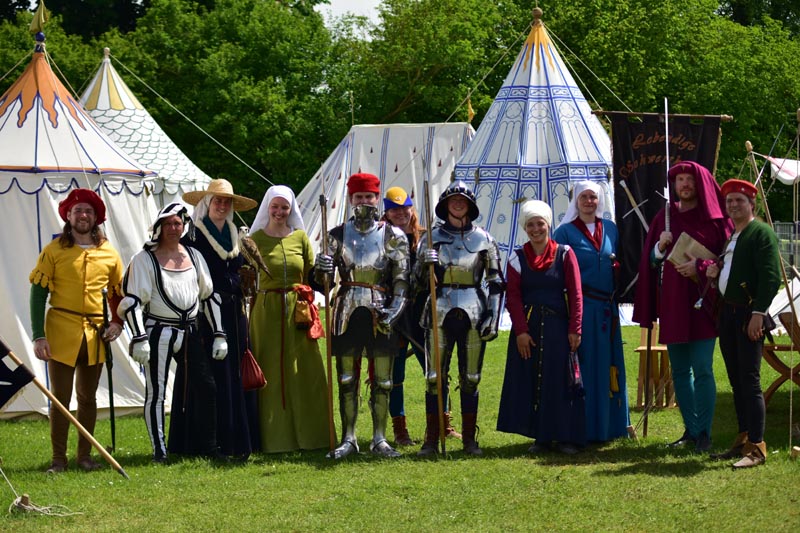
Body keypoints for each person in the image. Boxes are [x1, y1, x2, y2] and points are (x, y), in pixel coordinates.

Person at [633, 160, 732, 453]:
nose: (685, 184)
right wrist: (659, 248)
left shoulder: (715, 219)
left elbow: (727, 260)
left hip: (703, 305)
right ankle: (691, 429)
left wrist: (700, 266)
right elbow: (650, 262)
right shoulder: (665, 216)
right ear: (674, 186)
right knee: (679, 371)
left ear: (699, 184)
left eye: (690, 179)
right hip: (674, 304)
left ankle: (705, 432)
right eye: (680, 180)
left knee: (702, 368)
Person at [118, 203, 228, 462]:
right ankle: (160, 451)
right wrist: (139, 337)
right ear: (158, 227)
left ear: (184, 226)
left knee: (207, 387)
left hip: (190, 332)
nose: (172, 228)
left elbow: (208, 296)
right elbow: (132, 302)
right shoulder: (144, 259)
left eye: (177, 223)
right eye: (167, 223)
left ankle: (209, 447)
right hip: (158, 331)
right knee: (156, 392)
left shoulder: (194, 256)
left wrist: (219, 334)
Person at [314, 172, 410, 459]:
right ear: (350, 199)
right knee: (346, 379)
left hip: (380, 308)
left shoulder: (393, 235)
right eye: (359, 197)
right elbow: (322, 282)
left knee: (383, 380)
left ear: (377, 198)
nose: (364, 201)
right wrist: (321, 268)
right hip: (346, 310)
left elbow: (402, 281)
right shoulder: (337, 235)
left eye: (369, 196)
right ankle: (349, 438)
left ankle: (380, 438)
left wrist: (393, 312)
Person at [29, 189, 125, 473]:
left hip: (95, 334)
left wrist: (117, 322)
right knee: (60, 398)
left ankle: (84, 456)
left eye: (88, 211)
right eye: (78, 210)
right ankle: (58, 460)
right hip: (61, 331)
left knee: (88, 397)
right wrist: (38, 335)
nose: (83, 215)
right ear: (68, 216)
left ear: (96, 218)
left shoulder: (108, 252)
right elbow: (38, 294)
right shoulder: (53, 250)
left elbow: (117, 293)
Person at [416, 180, 504, 456]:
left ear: (470, 205)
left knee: (471, 377)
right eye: (452, 199)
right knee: (434, 377)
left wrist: (493, 316)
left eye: (462, 200)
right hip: (439, 307)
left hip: (474, 309)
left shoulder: (485, 239)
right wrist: (425, 264)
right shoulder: (430, 238)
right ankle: (432, 439)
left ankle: (469, 439)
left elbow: (496, 282)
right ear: (445, 205)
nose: (457, 203)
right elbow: (416, 281)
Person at [498, 200, 585, 454]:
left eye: (540, 224)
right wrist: (521, 331)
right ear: (525, 228)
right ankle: (541, 437)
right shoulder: (517, 257)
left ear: (548, 225)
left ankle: (565, 436)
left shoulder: (565, 253)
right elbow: (513, 297)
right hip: (531, 328)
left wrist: (575, 328)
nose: (536, 229)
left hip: (558, 326)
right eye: (531, 225)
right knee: (534, 379)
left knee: (560, 380)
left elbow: (576, 293)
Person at [181, 179, 259, 460]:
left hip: (235, 313)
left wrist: (247, 281)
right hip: (206, 314)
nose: (222, 206)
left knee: (235, 373)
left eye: (227, 202)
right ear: (208, 203)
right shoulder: (192, 237)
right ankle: (211, 442)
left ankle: (239, 440)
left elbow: (245, 271)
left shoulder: (238, 237)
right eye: (217, 201)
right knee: (212, 376)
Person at [706, 179, 781, 468]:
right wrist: (718, 270)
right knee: (737, 379)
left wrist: (758, 314)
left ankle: (758, 447)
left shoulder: (761, 232)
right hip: (729, 313)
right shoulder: (733, 235)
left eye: (739, 200)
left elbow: (771, 277)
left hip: (749, 314)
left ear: (752, 204)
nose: (734, 205)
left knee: (749, 380)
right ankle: (744, 438)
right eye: (729, 201)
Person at [249, 185, 329, 452]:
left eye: (285, 207)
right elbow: (245, 277)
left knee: (304, 369)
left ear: (291, 209)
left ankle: (312, 436)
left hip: (298, 311)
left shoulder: (301, 238)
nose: (280, 212)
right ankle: (272, 439)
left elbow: (312, 276)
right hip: (266, 311)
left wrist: (324, 271)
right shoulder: (255, 239)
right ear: (268, 207)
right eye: (275, 206)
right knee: (269, 369)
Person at [381, 187, 461, 445]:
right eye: (394, 210)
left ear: (411, 208)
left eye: (404, 208)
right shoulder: (381, 238)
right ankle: (400, 430)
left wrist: (433, 263)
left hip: (424, 311)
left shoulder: (428, 237)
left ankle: (443, 423)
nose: (400, 213)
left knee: (436, 369)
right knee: (395, 375)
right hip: (394, 312)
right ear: (387, 213)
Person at [554, 181, 630, 443]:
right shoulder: (564, 233)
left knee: (609, 364)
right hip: (582, 308)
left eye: (593, 197)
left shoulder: (610, 228)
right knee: (585, 366)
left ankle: (611, 426)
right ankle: (584, 428)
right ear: (576, 201)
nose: (589, 201)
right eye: (584, 197)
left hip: (607, 309)